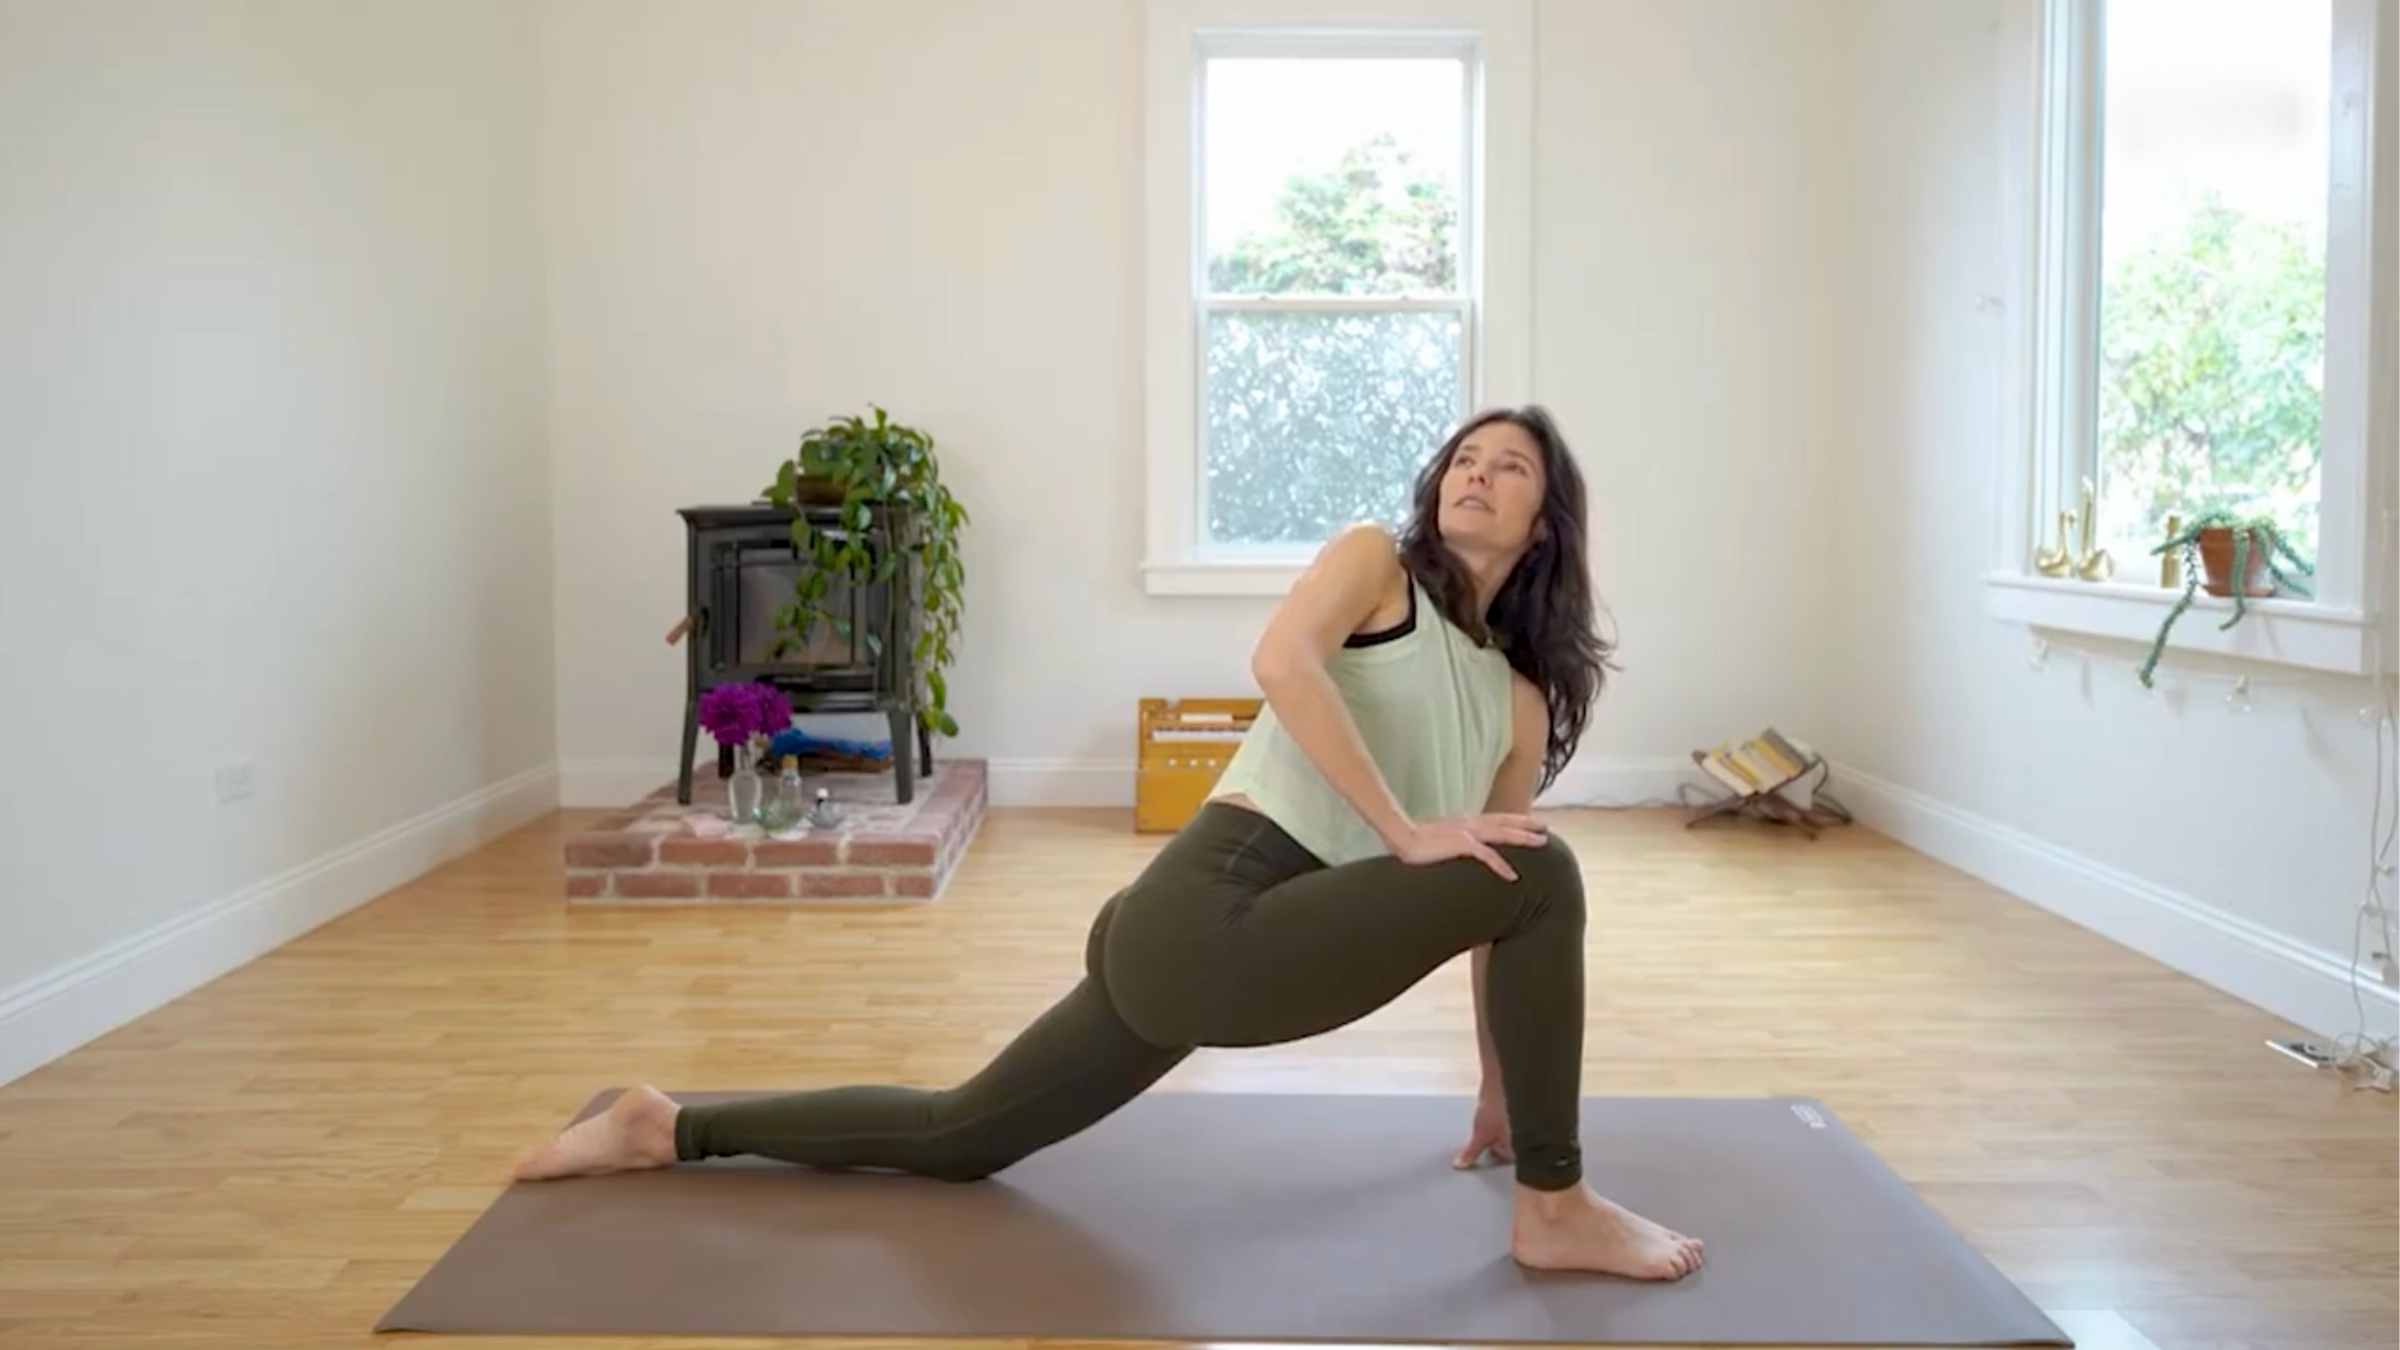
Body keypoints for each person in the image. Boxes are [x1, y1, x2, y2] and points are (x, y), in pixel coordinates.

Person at [513, 405, 1704, 1281]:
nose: (1477, 476)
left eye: (1511, 469)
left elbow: (1487, 881)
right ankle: (1559, 1206)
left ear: (1547, 525)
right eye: (1465, 458)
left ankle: (664, 1125)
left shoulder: (1518, 698)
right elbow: (1281, 666)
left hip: (1230, 939)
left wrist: (1501, 1087)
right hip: (1213, 910)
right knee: (1545, 869)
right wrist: (1402, 832)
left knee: (959, 1136)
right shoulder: (1374, 564)